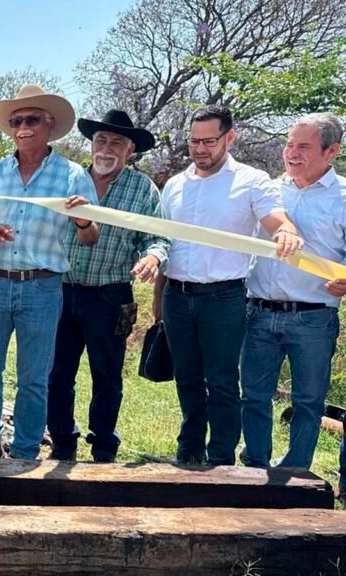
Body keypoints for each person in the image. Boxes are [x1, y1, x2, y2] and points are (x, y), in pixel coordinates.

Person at [154, 105, 303, 466]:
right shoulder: (175, 185)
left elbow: (276, 218)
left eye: (209, 141)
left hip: (223, 298)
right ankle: (190, 449)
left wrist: (286, 231)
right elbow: (163, 240)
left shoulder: (251, 181)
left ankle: (221, 458)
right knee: (186, 377)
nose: (200, 149)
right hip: (177, 295)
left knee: (221, 381)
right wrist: (158, 300)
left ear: (229, 137)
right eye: (194, 141)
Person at [0, 85, 99, 460]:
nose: (23, 128)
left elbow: (90, 236)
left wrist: (82, 220)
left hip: (42, 288)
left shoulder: (73, 177)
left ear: (49, 124)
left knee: (34, 378)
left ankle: (25, 450)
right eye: (16, 121)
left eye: (32, 120)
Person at [46, 110, 170, 463]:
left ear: (130, 150)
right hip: (60, 290)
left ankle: (103, 447)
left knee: (108, 375)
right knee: (57, 373)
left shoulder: (142, 188)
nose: (106, 148)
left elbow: (159, 237)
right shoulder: (69, 180)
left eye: (117, 142)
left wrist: (152, 258)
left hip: (111, 296)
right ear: (91, 144)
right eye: (101, 140)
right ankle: (62, 442)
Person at [240, 113, 345, 469]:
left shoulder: (343, 196)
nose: (292, 153)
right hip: (257, 311)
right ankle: (254, 468)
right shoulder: (266, 190)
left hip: (314, 317)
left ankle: (295, 473)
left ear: (331, 151)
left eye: (303, 146)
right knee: (253, 395)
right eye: (289, 144)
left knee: (308, 401)